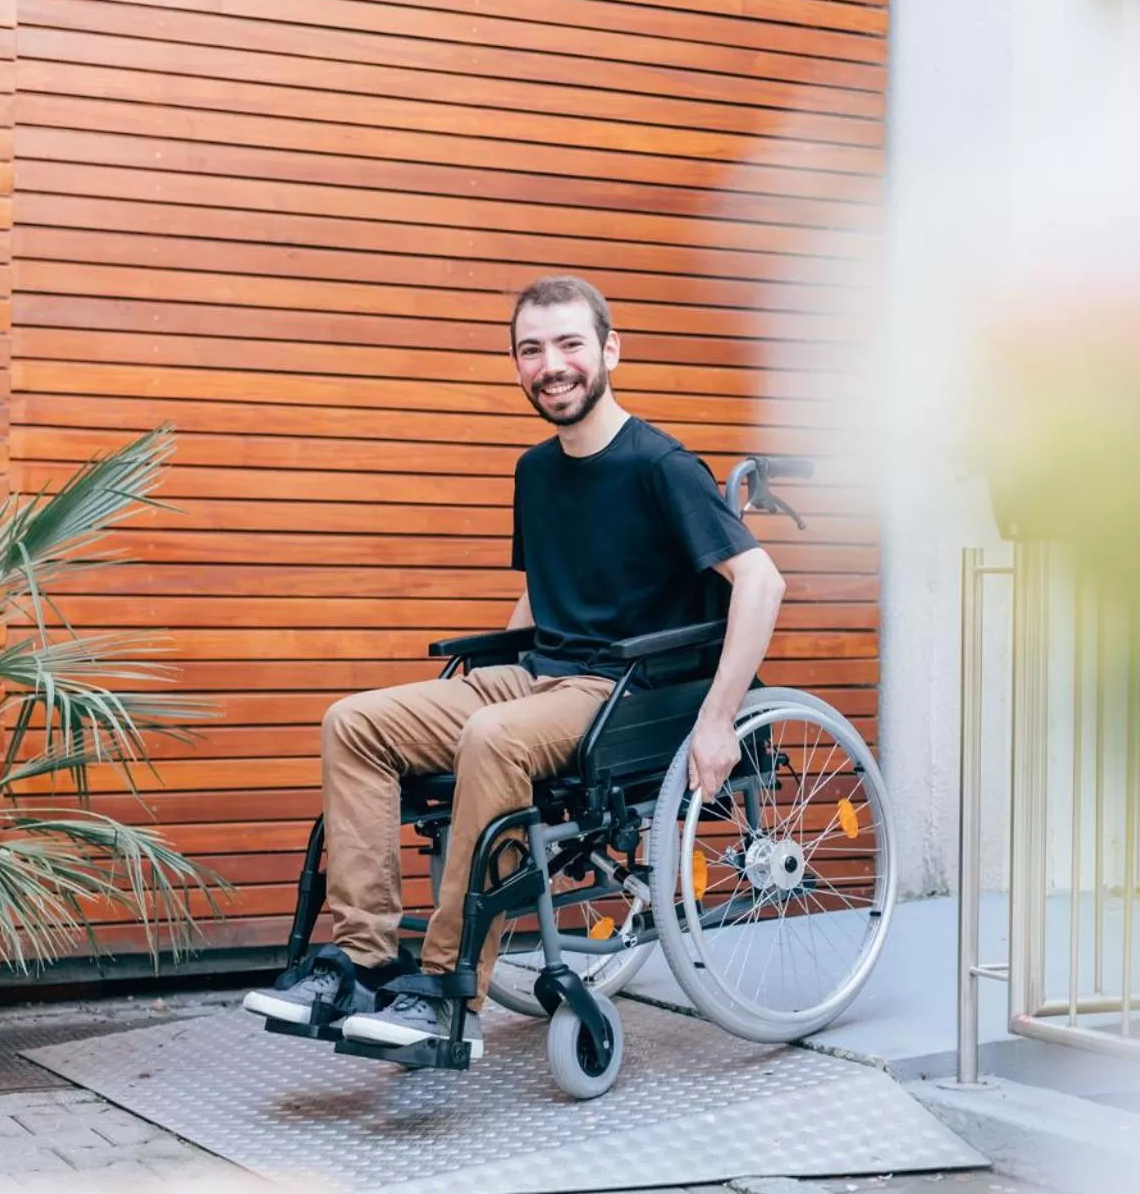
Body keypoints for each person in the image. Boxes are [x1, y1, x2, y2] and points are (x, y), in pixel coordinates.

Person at [243, 274, 786, 1059]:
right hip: (539, 677)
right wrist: (488, 670)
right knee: (354, 722)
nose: (551, 364)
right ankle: (360, 962)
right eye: (531, 350)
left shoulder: (660, 465)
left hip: (624, 693)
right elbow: (540, 595)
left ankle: (445, 992)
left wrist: (716, 720)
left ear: (609, 351)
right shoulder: (536, 471)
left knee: (494, 737)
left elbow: (762, 582)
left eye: (569, 344)